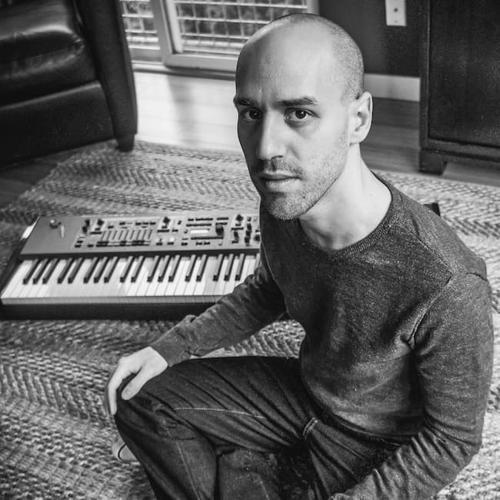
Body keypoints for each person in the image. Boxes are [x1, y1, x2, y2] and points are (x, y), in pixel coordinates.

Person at [104, 13, 493, 499]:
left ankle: (248, 469)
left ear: (358, 119)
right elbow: (268, 290)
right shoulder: (285, 197)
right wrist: (168, 349)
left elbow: (452, 439)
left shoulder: (447, 282)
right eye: (251, 113)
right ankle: (253, 470)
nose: (266, 149)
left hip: (375, 446)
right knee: (139, 397)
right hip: (302, 397)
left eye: (299, 114)